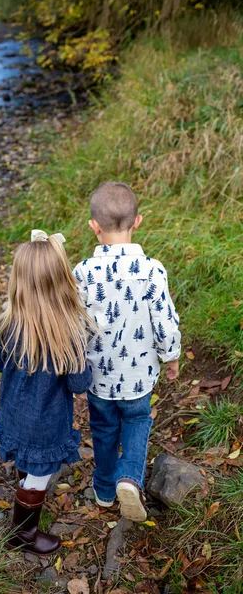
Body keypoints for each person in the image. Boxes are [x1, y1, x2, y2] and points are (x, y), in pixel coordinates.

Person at [73, 181, 181, 522]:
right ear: (138, 222)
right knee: (136, 420)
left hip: (98, 377)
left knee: (103, 429)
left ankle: (104, 490)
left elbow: (75, 323)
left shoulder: (83, 273)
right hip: (138, 376)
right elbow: (164, 319)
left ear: (93, 225)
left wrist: (74, 363)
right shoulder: (152, 270)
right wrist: (172, 355)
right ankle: (129, 478)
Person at [0, 230, 93, 556]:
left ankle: (24, 488)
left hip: (13, 415)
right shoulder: (69, 332)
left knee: (28, 464)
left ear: (19, 280)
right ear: (62, 279)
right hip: (47, 425)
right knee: (39, 475)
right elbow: (79, 385)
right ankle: (24, 533)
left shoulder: (9, 323)